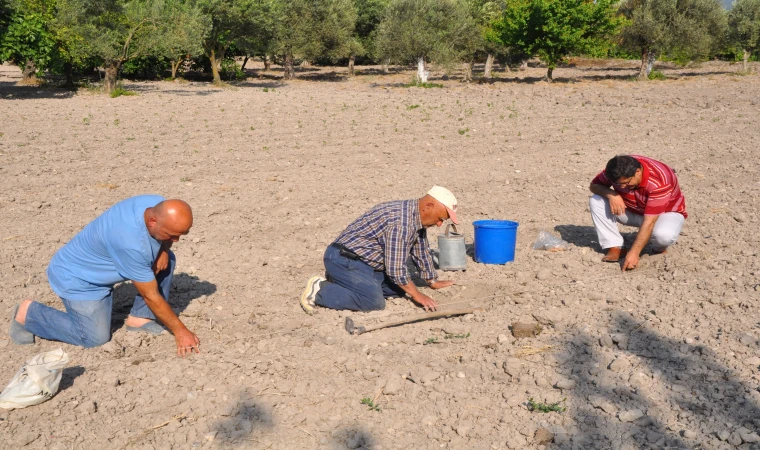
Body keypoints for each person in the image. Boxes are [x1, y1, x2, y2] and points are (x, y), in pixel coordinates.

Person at [8, 196, 201, 357]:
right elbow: (152, 296)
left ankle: (140, 319)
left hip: (101, 266)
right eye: (171, 235)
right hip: (79, 280)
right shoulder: (130, 243)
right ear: (153, 221)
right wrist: (180, 331)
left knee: (166, 259)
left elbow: (162, 242)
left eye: (180, 235)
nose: (176, 240)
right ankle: (28, 314)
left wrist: (164, 248)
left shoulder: (156, 204)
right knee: (94, 338)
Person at [300, 186, 459, 314]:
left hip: (363, 263)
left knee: (398, 289)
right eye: (440, 219)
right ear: (428, 206)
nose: (439, 224)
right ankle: (319, 290)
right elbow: (396, 269)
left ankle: (343, 281)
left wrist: (432, 281)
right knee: (373, 301)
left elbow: (420, 249)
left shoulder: (415, 217)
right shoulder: (401, 222)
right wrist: (418, 296)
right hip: (343, 259)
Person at [589, 155, 687, 271]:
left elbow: (649, 222)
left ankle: (658, 248)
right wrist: (612, 195)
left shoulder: (659, 182)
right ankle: (615, 246)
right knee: (596, 200)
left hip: (663, 214)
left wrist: (634, 253)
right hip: (631, 209)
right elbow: (594, 186)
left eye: (626, 183)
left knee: (664, 236)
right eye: (618, 184)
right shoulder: (615, 169)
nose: (623, 187)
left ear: (638, 172)